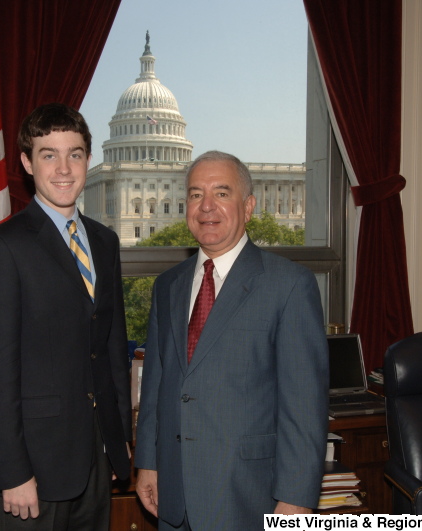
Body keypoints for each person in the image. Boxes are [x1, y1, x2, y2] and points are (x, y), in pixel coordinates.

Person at [134, 150, 329, 530]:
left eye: (221, 193)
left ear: (249, 206)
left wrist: (296, 500)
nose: (206, 206)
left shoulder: (289, 285)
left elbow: (304, 405)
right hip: (173, 496)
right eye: (195, 194)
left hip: (250, 497)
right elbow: (157, 386)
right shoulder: (167, 286)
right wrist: (148, 462)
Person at [0, 103, 132, 531]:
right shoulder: (3, 247)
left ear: (88, 160)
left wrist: (119, 443)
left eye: (74, 154)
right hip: (33, 470)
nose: (63, 168)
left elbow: (112, 349)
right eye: (48, 154)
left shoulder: (105, 241)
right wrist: (12, 472)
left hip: (95, 458)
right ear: (26, 162)